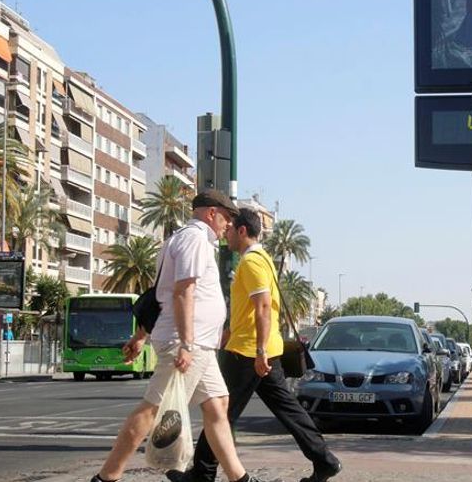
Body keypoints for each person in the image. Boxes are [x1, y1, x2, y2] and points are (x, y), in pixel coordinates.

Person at [91, 190, 265, 482]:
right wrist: (185, 343)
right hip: (188, 343)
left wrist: (142, 335)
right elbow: (183, 291)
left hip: (199, 345)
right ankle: (107, 477)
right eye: (227, 217)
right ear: (212, 213)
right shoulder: (194, 239)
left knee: (218, 404)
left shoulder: (185, 239)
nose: (228, 225)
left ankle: (241, 479)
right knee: (152, 409)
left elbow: (162, 293)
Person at [170, 208, 341, 482]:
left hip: (249, 352)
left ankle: (202, 474)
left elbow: (262, 307)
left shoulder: (251, 263)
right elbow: (251, 310)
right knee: (289, 411)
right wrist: (228, 333)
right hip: (257, 349)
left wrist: (259, 351)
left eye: (229, 230)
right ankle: (325, 460)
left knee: (219, 411)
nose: (225, 234)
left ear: (241, 231)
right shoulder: (262, 259)